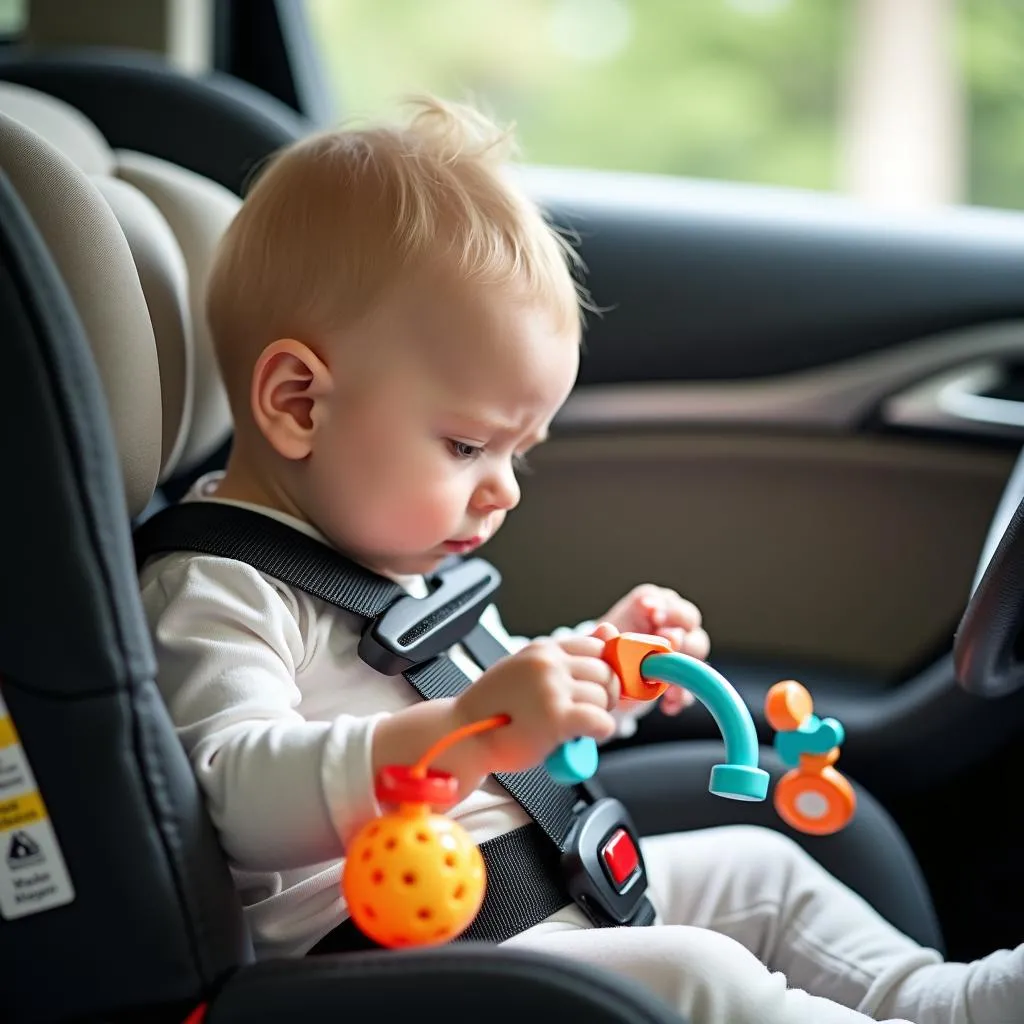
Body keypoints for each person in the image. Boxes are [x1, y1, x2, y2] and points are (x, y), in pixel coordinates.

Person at [139, 96, 1019, 1024]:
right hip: (411, 971)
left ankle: (939, 1003)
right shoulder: (214, 590)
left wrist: (597, 667)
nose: (506, 489)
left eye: (522, 453)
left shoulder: (388, 554)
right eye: (469, 446)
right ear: (300, 403)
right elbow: (236, 793)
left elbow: (501, 703)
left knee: (764, 869)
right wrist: (469, 733)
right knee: (700, 976)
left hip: (531, 896)